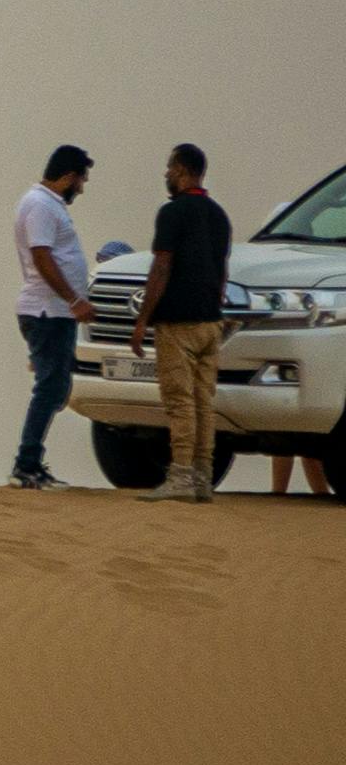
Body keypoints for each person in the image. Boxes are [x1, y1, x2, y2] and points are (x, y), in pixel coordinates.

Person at [142, 143, 232, 502]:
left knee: (179, 400)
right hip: (211, 321)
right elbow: (222, 269)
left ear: (181, 170)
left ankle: (181, 475)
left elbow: (161, 266)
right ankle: (202, 477)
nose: (166, 174)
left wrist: (143, 318)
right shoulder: (218, 215)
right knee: (202, 402)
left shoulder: (172, 213)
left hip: (177, 321)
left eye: (169, 167)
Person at [13, 143, 95, 488]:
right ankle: (27, 465)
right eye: (81, 180)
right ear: (68, 176)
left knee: (57, 387)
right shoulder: (40, 206)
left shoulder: (46, 205)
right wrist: (74, 299)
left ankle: (30, 462)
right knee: (50, 389)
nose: (82, 187)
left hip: (53, 313)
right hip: (47, 311)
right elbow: (42, 257)